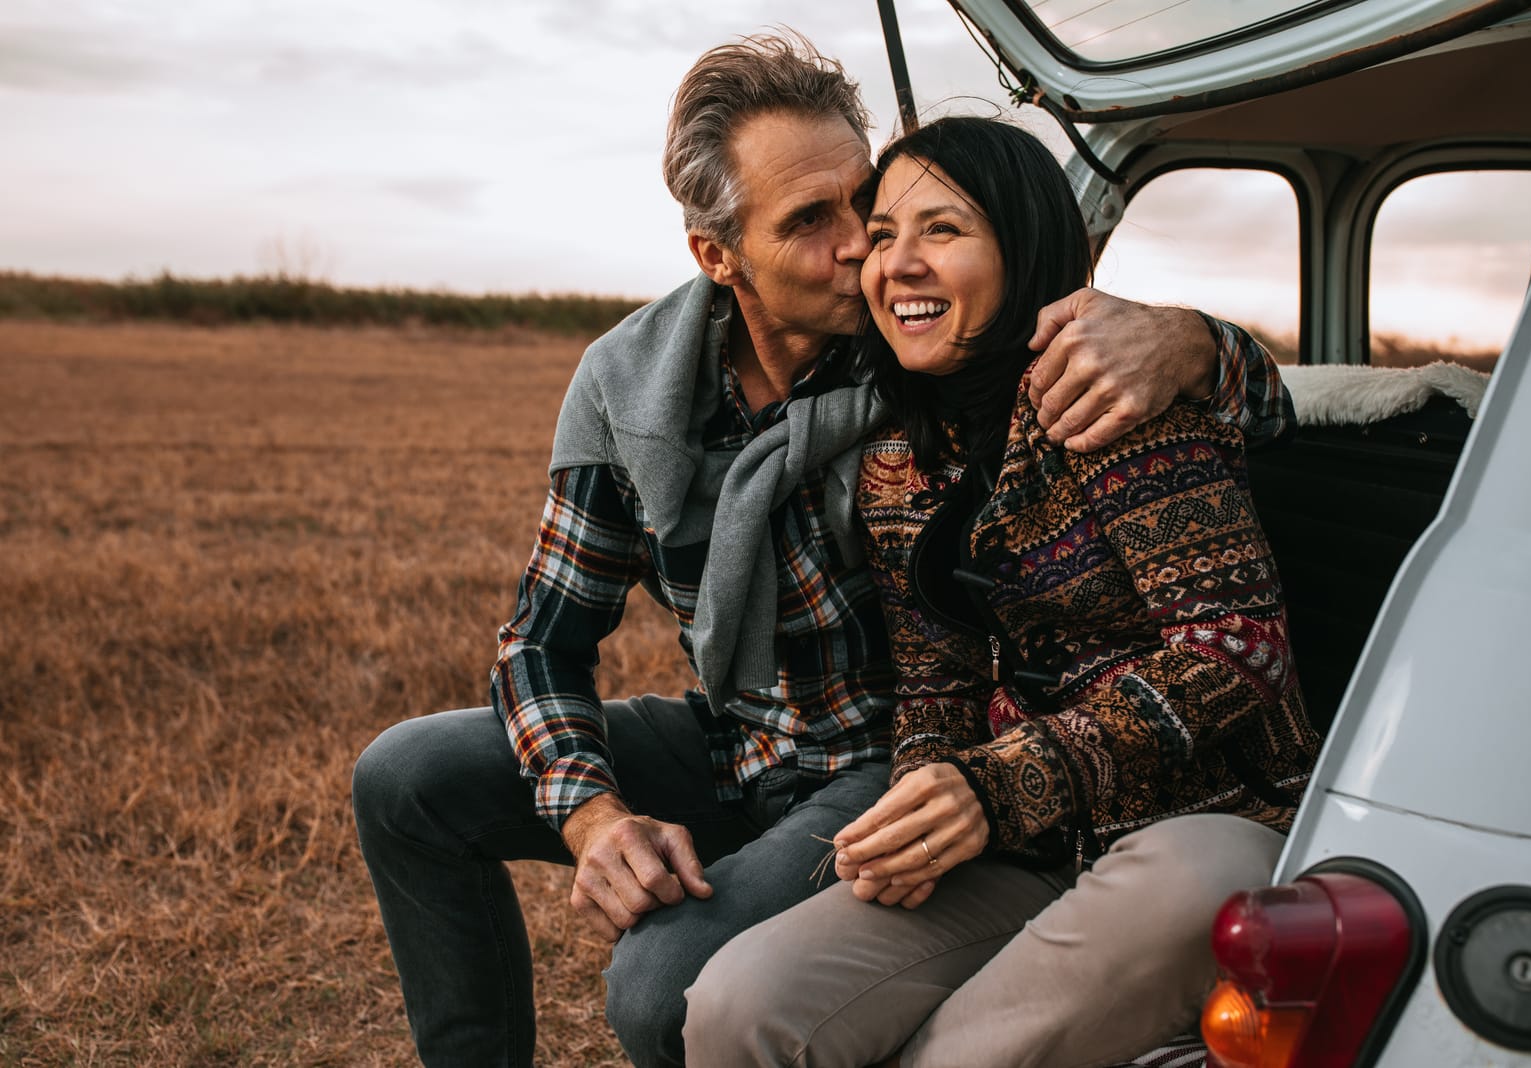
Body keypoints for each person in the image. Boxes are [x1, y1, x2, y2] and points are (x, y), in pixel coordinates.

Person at [351, 35, 1294, 1068]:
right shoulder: (631, 387)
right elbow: (542, 641)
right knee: (404, 778)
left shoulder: (928, 351)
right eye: (815, 222)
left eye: (868, 203)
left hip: (875, 759)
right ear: (718, 257)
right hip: (743, 735)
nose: (865, 249)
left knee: (661, 987)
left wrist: (1199, 342)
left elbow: (1079, 348)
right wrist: (592, 817)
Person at [681, 116, 1322, 1067]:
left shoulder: (1113, 400)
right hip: (1026, 847)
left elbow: (1237, 650)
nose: (896, 263)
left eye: (942, 230)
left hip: (1203, 828)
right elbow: (935, 679)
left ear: (1022, 248)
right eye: (884, 235)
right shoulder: (898, 460)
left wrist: (1003, 782)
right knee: (739, 1007)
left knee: (1192, 884)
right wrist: (926, 804)